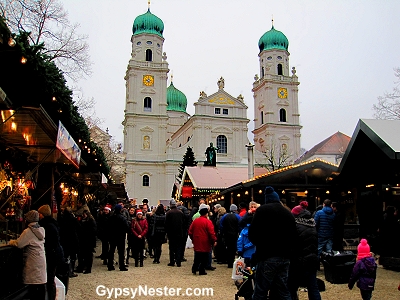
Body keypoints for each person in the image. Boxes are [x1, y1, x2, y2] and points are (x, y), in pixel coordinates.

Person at [249, 186, 297, 300]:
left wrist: (261, 245)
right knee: (283, 291)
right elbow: (294, 235)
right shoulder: (287, 213)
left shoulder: (262, 211)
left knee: (260, 291)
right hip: (285, 256)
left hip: (267, 256)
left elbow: (252, 234)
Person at [9, 210, 47, 300]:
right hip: (41, 260)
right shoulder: (41, 230)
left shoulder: (28, 231)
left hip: (33, 262)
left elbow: (19, 244)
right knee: (40, 284)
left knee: (33, 287)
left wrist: (11, 242)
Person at [288, 201, 321, 300]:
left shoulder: (296, 226)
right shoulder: (312, 225)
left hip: (299, 260)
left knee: (291, 287)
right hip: (312, 259)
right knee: (313, 287)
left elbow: (293, 245)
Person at [38, 204, 64, 300]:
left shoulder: (46, 226)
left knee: (50, 279)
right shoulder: (52, 223)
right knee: (50, 278)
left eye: (39, 214)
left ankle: (51, 297)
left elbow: (49, 242)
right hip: (55, 254)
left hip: (51, 255)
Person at [188, 204, 217, 275]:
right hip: (205, 241)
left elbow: (190, 231)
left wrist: (193, 239)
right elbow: (211, 233)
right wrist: (214, 240)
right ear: (206, 213)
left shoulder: (195, 221)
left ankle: (194, 268)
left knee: (197, 256)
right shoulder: (208, 222)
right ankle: (202, 270)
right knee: (204, 256)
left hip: (197, 240)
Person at [59, 207, 80, 277]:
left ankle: (64, 270)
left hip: (65, 239)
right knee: (72, 256)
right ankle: (71, 270)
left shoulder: (62, 219)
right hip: (72, 239)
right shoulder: (73, 219)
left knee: (65, 256)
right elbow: (78, 227)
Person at [107, 204, 130, 271]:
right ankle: (121, 266)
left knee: (111, 251)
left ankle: (110, 265)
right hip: (120, 236)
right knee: (121, 252)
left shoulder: (111, 217)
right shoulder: (122, 217)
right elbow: (127, 226)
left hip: (112, 236)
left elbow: (108, 226)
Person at [165, 199, 185, 267]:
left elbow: (166, 224)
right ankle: (178, 261)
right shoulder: (180, 213)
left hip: (171, 233)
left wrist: (167, 233)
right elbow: (183, 223)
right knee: (178, 248)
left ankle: (172, 261)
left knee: (172, 248)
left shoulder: (168, 213)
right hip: (179, 233)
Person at [219, 204, 240, 268]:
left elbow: (221, 225)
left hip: (226, 234)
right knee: (233, 248)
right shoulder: (237, 216)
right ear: (235, 209)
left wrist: (223, 232)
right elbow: (240, 224)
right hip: (234, 234)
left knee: (228, 248)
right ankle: (232, 261)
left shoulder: (225, 216)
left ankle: (229, 262)